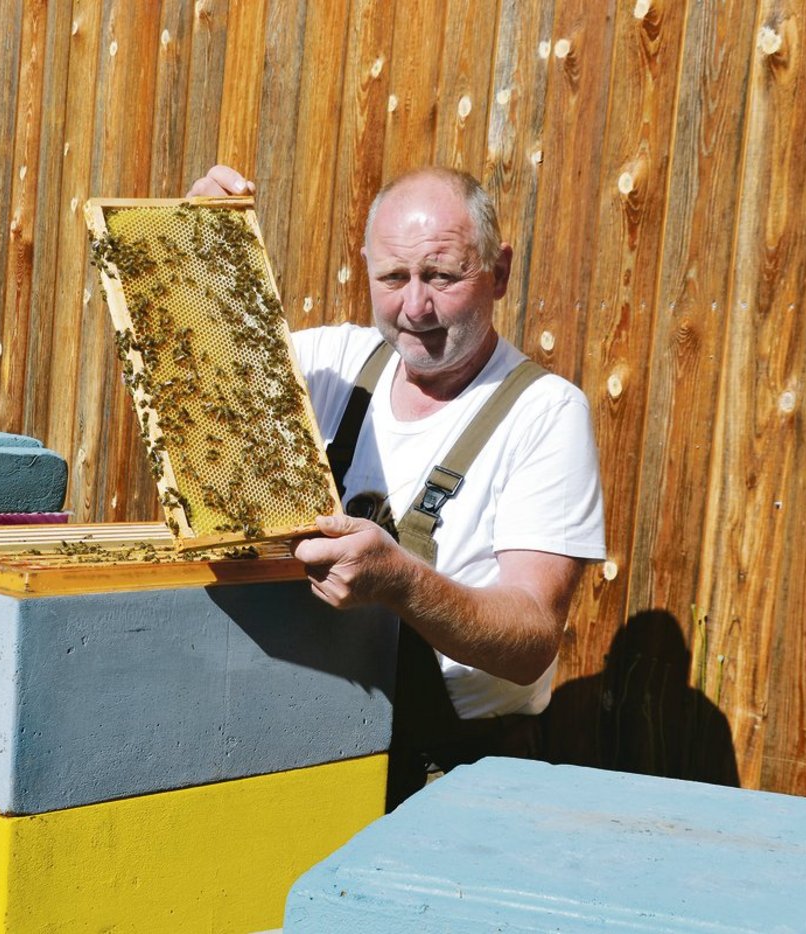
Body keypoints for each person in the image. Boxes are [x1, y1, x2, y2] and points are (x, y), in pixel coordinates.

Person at [187, 164, 606, 806]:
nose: (415, 306)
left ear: (498, 271)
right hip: (304, 752)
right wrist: (198, 249)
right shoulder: (329, 363)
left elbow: (530, 639)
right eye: (393, 277)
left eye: (442, 275)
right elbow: (196, 367)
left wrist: (401, 581)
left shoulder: (545, 413)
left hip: (450, 779)